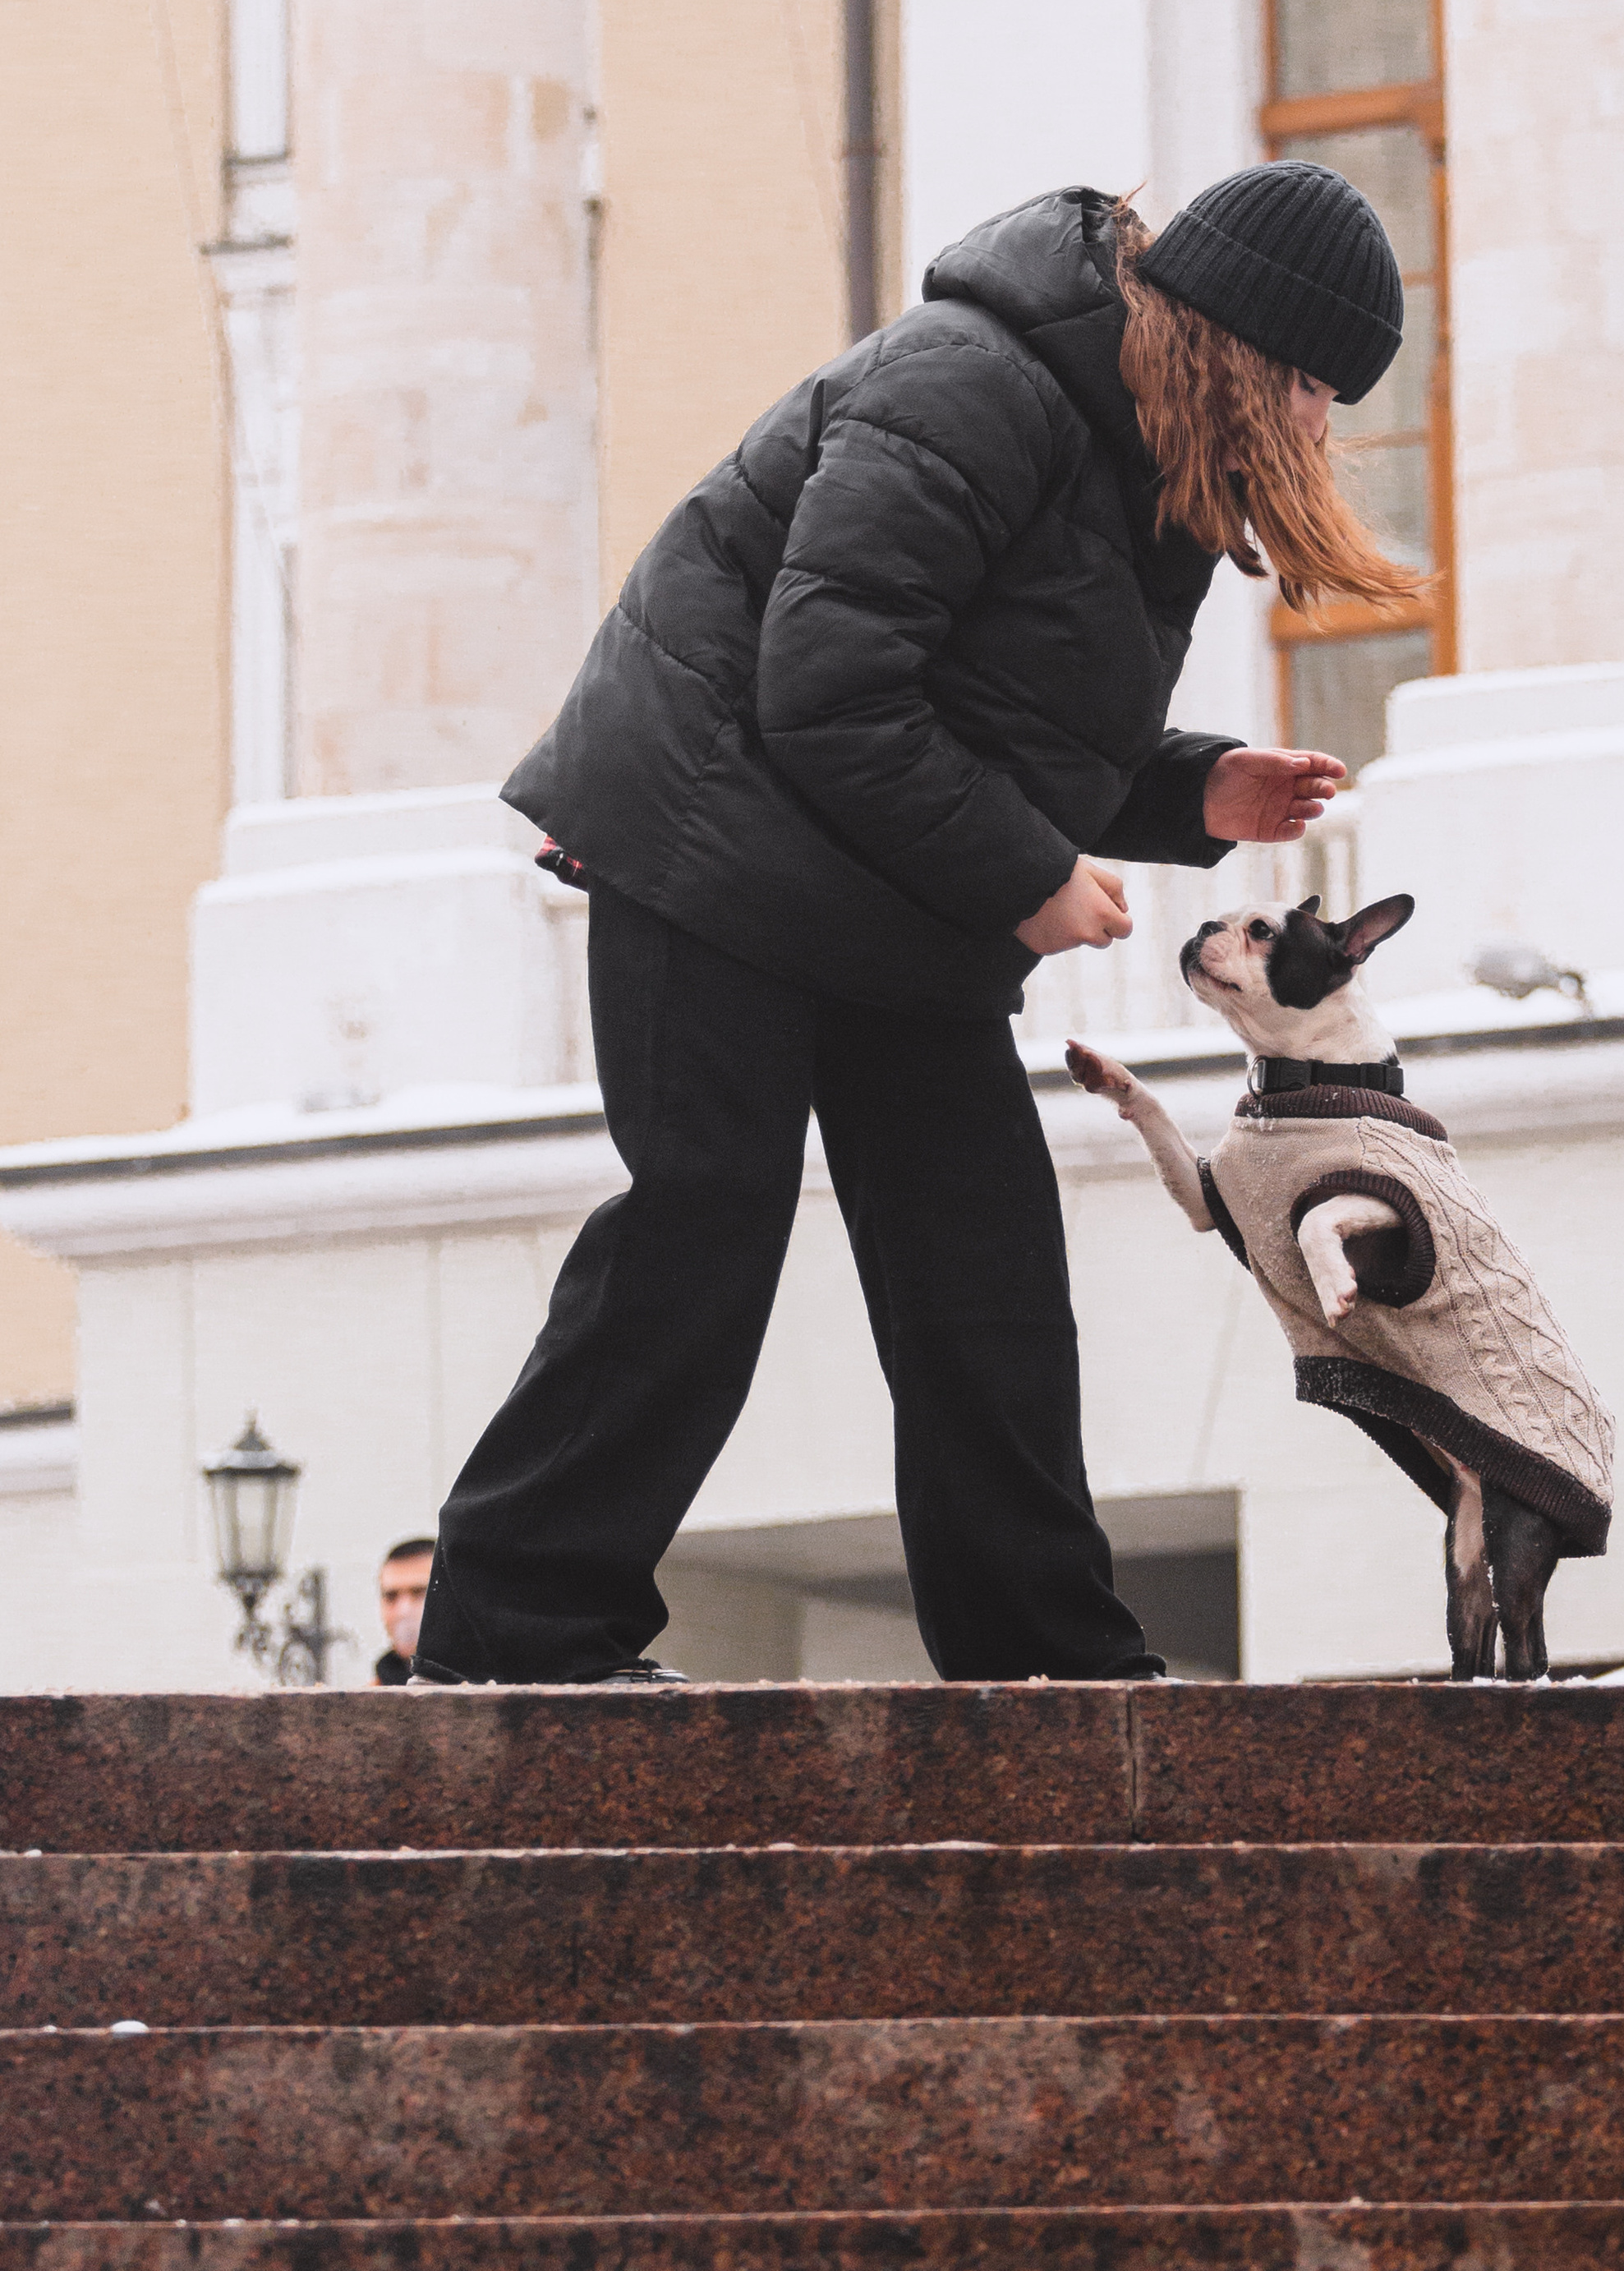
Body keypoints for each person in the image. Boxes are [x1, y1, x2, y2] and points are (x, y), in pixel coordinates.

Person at [415, 168, 1415, 1688]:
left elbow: (1005, 715)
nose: (1312, 428)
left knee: (983, 1265)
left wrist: (1195, 788)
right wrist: (1029, 879)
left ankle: (1044, 1660)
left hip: (875, 878)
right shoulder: (972, 386)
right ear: (1232, 346)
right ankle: (515, 1632)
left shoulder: (1148, 474)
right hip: (706, 835)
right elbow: (831, 682)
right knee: (706, 1215)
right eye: (1306, 385)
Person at [372, 1535, 435, 1684]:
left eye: (419, 1593)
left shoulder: (494, 1686)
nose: (403, 1611)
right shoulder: (367, 1698)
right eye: (391, 1596)